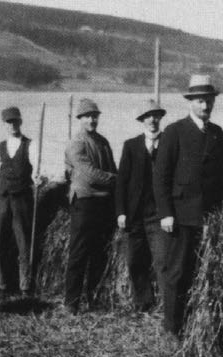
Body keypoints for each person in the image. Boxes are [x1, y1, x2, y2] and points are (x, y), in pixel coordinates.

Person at [153, 75, 223, 337]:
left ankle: (198, 328)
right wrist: (165, 213)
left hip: (209, 216)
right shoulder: (175, 132)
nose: (206, 106)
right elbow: (161, 177)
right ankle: (173, 329)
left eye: (209, 101)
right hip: (181, 216)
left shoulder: (216, 133)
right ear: (191, 103)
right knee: (176, 273)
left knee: (203, 271)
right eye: (200, 101)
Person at [64, 98, 117, 314]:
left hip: (103, 202)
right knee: (78, 252)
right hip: (84, 201)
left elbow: (111, 167)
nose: (92, 119)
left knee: (99, 253)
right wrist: (117, 179)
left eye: (95, 116)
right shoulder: (76, 143)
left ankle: (93, 299)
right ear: (80, 119)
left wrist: (115, 178)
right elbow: (90, 174)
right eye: (87, 116)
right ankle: (71, 303)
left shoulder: (103, 142)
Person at [115, 100, 168, 313]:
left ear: (160, 118)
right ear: (142, 120)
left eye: (156, 115)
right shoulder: (131, 145)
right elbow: (121, 182)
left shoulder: (168, 143)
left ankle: (167, 306)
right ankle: (142, 303)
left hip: (158, 215)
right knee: (135, 261)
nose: (152, 120)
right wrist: (120, 212)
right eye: (148, 116)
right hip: (134, 214)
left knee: (162, 260)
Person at [0, 107, 40, 299]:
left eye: (15, 121)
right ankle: (2, 284)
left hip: (22, 199)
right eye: (9, 122)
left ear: (20, 122)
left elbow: (36, 172)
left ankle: (24, 286)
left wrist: (39, 178)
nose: (12, 125)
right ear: (4, 124)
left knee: (23, 243)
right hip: (1, 199)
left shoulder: (30, 145)